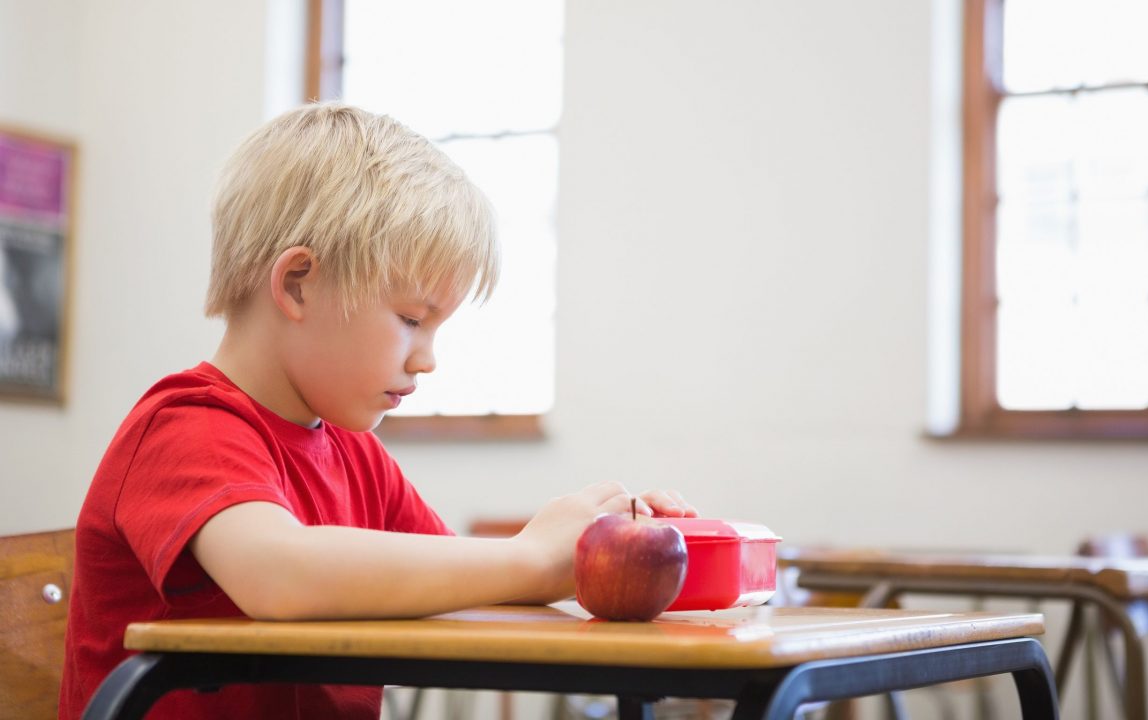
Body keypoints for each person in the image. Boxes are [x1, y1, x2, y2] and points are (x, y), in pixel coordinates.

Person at [59, 103, 696, 720]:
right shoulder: (184, 426)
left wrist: (610, 553)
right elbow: (279, 574)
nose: (427, 360)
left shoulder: (352, 451)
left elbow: (466, 589)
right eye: (411, 320)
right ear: (298, 283)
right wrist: (531, 556)